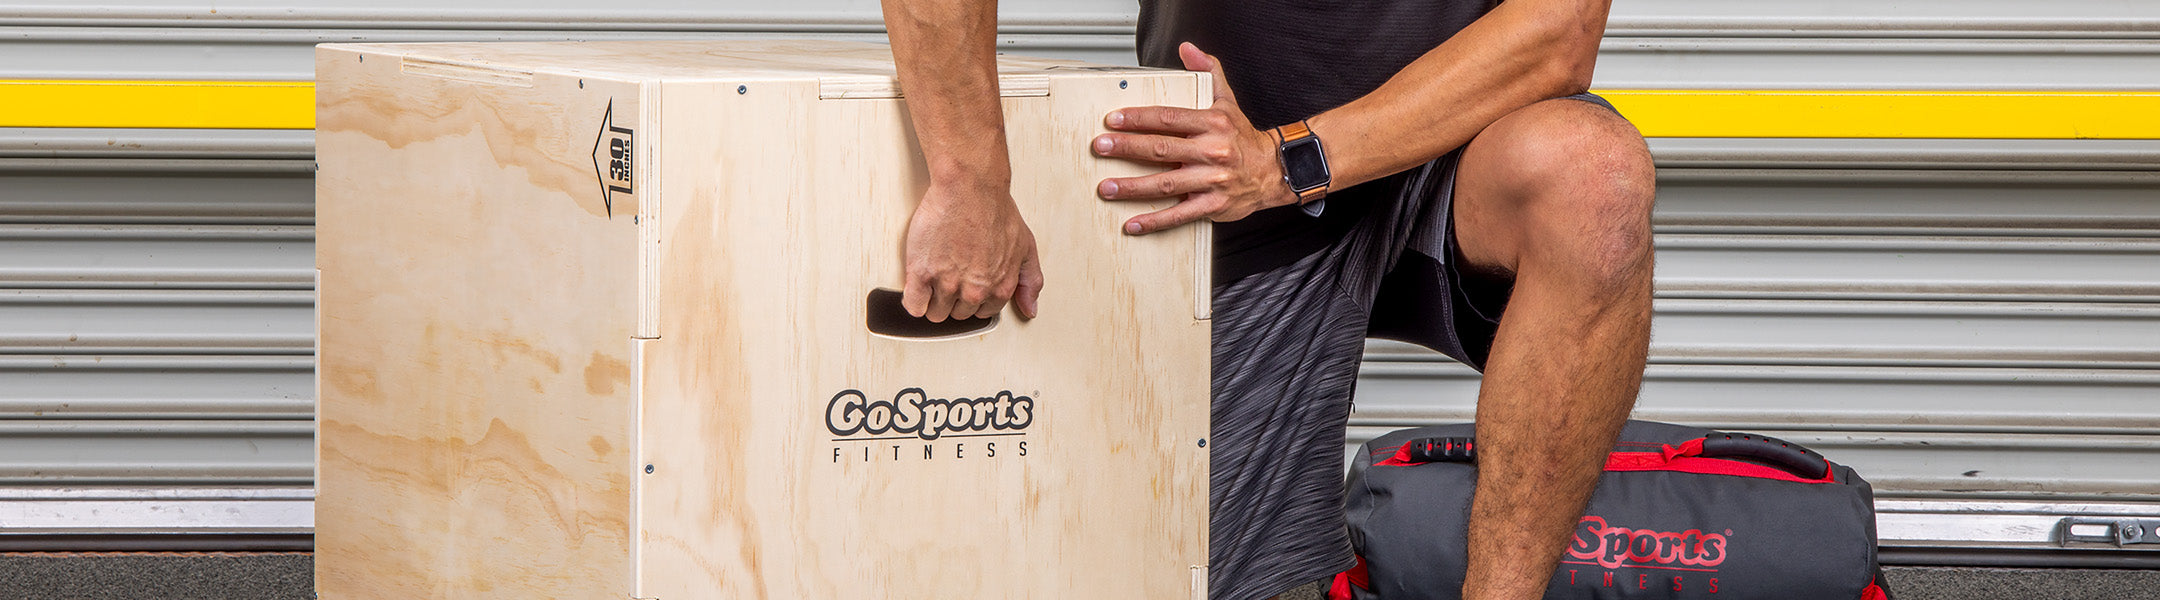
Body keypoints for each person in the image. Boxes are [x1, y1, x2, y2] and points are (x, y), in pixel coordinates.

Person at [877, 1, 1654, 598]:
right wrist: (969, 179)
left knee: (1594, 177)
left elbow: (1559, 29)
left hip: (1445, 146)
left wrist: (1291, 162)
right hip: (1224, 170)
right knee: (1204, 570)